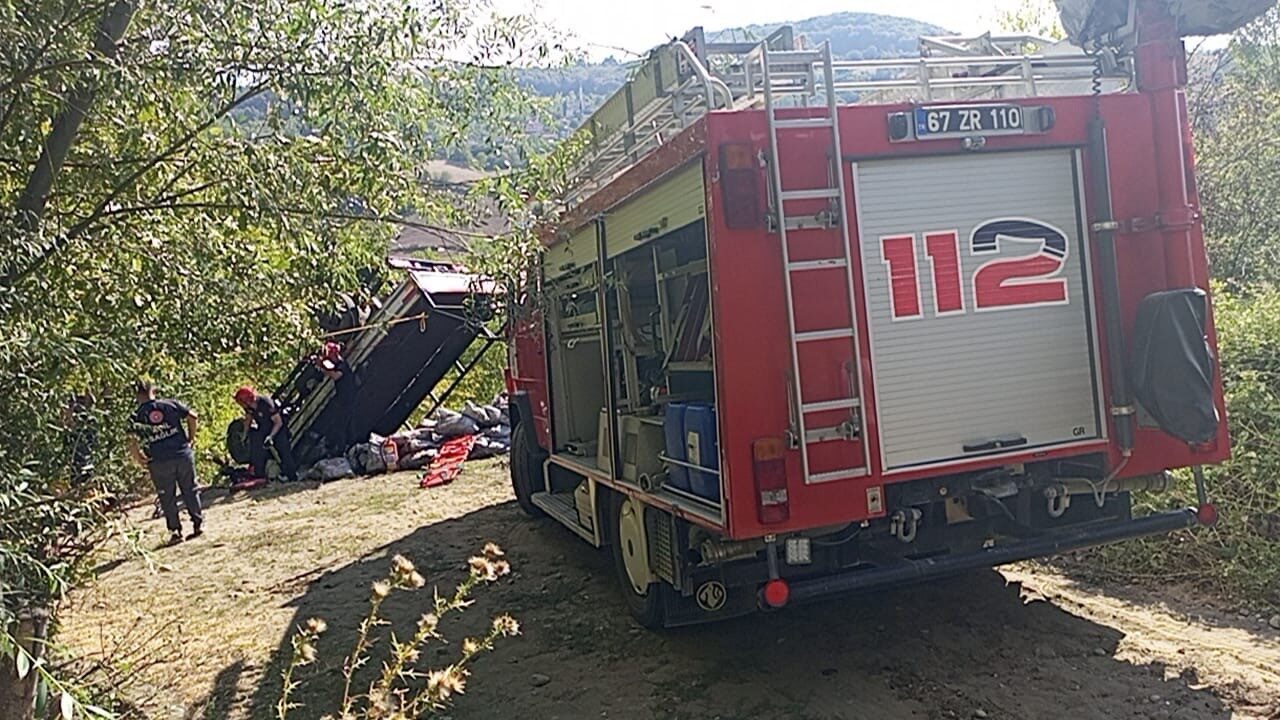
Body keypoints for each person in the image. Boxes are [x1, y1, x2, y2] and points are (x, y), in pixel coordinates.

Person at [128, 380, 203, 545]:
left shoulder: (136, 416)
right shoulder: (170, 404)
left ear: (136, 394)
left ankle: (176, 531)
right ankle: (198, 523)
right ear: (153, 390)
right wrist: (191, 438)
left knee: (167, 496)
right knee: (190, 489)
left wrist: (139, 457)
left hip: (159, 461)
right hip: (182, 454)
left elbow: (132, 439)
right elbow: (193, 416)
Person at [234, 385, 299, 482]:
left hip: (277, 429)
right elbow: (248, 419)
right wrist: (244, 435)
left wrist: (271, 436)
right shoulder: (249, 407)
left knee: (283, 449)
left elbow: (278, 422)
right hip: (264, 429)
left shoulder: (265, 403)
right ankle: (259, 473)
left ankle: (291, 475)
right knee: (257, 447)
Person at [318, 343, 359, 454]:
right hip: (342, 399)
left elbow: (336, 376)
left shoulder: (342, 365)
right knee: (345, 424)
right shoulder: (336, 364)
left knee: (341, 425)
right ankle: (349, 446)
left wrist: (323, 367)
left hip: (348, 399)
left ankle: (341, 450)